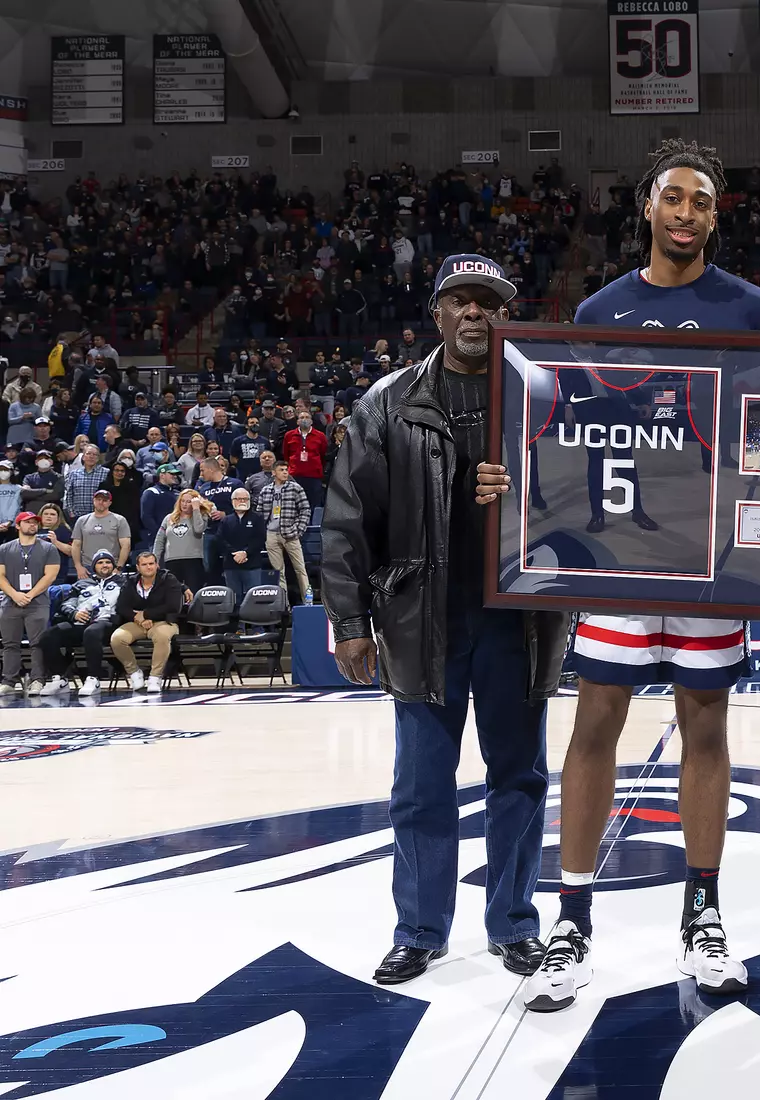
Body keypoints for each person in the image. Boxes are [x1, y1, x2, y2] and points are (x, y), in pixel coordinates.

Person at [529, 141, 760, 1014]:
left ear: (716, 217)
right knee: (595, 723)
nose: (684, 213)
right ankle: (571, 919)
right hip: (622, 554)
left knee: (704, 728)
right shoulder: (601, 307)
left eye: (700, 202)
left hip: (713, 556)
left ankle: (702, 915)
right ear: (647, 208)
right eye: (671, 197)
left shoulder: (754, 309)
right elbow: (567, 429)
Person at [323, 251, 573, 988]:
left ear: (507, 314)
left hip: (517, 622)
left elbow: (589, 502)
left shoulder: (548, 397)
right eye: (460, 300)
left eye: (488, 302)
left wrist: (528, 488)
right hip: (420, 621)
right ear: (435, 312)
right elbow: (345, 525)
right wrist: (348, 622)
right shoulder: (387, 403)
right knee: (422, 785)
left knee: (519, 778)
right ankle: (420, 931)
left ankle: (514, 925)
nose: (474, 313)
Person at [37, 549, 125, 697]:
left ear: (113, 565)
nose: (105, 565)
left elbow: (127, 604)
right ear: (94, 566)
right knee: (49, 635)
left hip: (108, 623)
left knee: (92, 632)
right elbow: (67, 605)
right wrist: (75, 614)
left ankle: (93, 678)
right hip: (81, 622)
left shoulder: (122, 583)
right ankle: (59, 678)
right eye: (100, 562)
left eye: (108, 562)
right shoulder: (81, 584)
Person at [0, 511, 60, 694]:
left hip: (38, 602)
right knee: (10, 643)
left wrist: (30, 594)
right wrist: (15, 594)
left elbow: (50, 576)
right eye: (28, 522)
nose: (33, 525)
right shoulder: (4, 549)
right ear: (17, 526)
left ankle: (37, 679)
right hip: (10, 602)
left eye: (35, 522)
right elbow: (0, 576)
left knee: (37, 643)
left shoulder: (48, 548)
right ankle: (9, 681)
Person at [109, 551, 184, 693]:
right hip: (138, 623)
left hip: (165, 622)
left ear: (157, 565)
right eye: (144, 564)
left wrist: (146, 614)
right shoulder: (131, 582)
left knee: (162, 636)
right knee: (117, 638)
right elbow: (121, 606)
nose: (148, 567)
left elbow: (173, 606)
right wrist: (138, 618)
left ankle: (155, 677)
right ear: (138, 567)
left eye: (151, 564)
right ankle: (134, 673)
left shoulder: (169, 579)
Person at [259, 460, 312, 605]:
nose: (285, 472)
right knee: (278, 572)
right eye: (281, 470)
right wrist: (264, 531)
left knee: (301, 570)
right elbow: (259, 513)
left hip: (290, 534)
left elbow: (306, 510)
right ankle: (283, 605)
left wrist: (298, 530)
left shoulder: (295, 488)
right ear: (274, 473)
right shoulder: (266, 490)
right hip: (271, 534)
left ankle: (308, 603)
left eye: (286, 470)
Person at [152, 488, 209, 595]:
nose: (185, 504)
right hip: (171, 561)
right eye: (182, 501)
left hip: (193, 561)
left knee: (193, 592)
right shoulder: (169, 518)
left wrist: (196, 509)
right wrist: (155, 559)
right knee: (173, 593)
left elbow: (198, 530)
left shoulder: (201, 516)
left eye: (188, 502)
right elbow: (159, 540)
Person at [219, 487, 268, 605]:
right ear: (233, 501)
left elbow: (260, 538)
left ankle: (256, 623)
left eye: (245, 499)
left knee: (254, 599)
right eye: (239, 499)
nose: (242, 501)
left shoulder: (257, 518)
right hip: (231, 565)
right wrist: (234, 553)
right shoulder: (226, 520)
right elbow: (220, 539)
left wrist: (245, 552)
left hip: (252, 564)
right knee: (234, 600)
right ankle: (236, 624)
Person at [70, 489, 131, 578]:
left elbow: (126, 545)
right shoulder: (82, 520)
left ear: (110, 503)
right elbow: (76, 545)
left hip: (111, 566)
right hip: (88, 568)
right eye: (98, 499)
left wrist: (118, 568)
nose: (101, 502)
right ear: (93, 501)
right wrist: (78, 567)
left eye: (105, 500)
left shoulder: (119, 520)